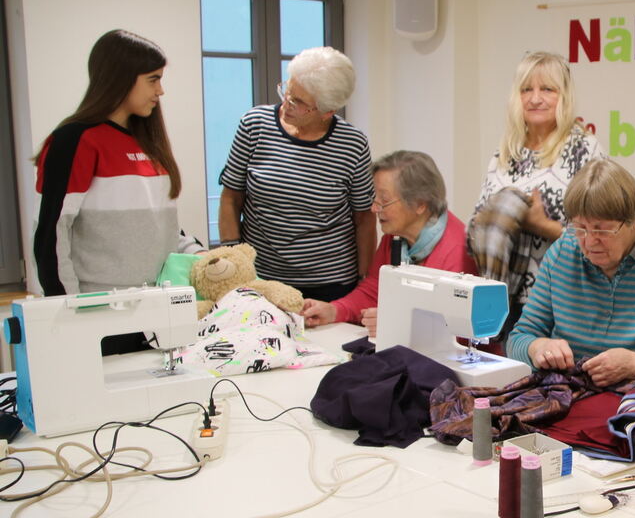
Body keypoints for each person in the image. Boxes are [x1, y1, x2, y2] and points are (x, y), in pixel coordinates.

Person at [507, 158, 635, 389]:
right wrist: (537, 347)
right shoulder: (562, 253)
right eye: (580, 228)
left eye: (602, 230)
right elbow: (517, 339)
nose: (589, 242)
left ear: (633, 221)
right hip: (567, 393)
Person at [34, 29, 203, 297]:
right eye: (153, 80)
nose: (160, 91)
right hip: (101, 305)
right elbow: (51, 237)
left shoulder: (149, 142)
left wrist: (201, 255)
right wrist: (70, 307)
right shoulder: (74, 140)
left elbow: (162, 230)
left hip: (160, 300)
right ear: (120, 78)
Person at [218, 46, 374, 302]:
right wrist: (233, 258)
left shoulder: (352, 144)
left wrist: (363, 281)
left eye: (298, 102)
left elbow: (364, 218)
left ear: (327, 111)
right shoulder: (254, 125)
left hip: (330, 283)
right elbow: (231, 197)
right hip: (262, 279)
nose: (286, 104)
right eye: (287, 91)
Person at [470, 51, 605, 338]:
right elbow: (479, 220)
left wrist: (542, 226)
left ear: (564, 95)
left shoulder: (585, 149)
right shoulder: (507, 150)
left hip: (562, 299)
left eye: (547, 89)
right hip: (508, 301)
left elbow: (602, 235)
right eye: (526, 89)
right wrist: (500, 216)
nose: (535, 98)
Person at [300, 151, 474, 336]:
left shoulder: (458, 251)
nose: (374, 208)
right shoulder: (396, 236)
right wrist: (334, 310)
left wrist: (398, 325)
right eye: (374, 198)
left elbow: (460, 329)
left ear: (420, 204)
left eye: (384, 201)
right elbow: (374, 289)